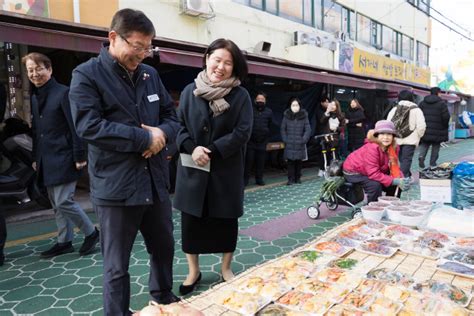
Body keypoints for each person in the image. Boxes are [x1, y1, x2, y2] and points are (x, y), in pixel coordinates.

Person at [69, 9, 180, 315]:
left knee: (163, 248)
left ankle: (163, 298)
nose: (143, 54)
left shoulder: (150, 75)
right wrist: (143, 139)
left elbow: (172, 118)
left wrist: (160, 133)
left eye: (148, 48)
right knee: (116, 265)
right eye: (138, 46)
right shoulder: (86, 75)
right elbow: (89, 126)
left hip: (154, 182)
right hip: (116, 188)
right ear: (113, 37)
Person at [173, 38, 252, 295]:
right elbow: (179, 126)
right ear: (207, 58)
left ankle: (226, 268)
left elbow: (243, 132)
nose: (221, 66)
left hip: (225, 170)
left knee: (226, 221)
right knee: (191, 222)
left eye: (228, 63)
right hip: (193, 167)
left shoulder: (240, 95)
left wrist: (214, 150)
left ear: (234, 67)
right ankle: (193, 271)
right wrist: (191, 147)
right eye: (217, 59)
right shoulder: (188, 91)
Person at [21, 53, 99, 259]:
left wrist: (79, 154)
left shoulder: (64, 93)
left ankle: (91, 232)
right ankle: (64, 242)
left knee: (64, 200)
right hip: (47, 158)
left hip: (64, 155)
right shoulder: (36, 96)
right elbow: (37, 131)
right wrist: (36, 157)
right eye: (30, 70)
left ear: (50, 70)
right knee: (56, 204)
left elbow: (75, 126)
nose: (34, 74)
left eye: (39, 68)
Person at [343, 120, 410, 203]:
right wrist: (394, 180)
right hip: (354, 171)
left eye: (389, 134)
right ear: (377, 135)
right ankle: (373, 208)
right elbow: (373, 174)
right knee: (375, 185)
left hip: (372, 170)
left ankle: (390, 204)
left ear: (393, 136)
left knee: (396, 183)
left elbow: (395, 167)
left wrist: (402, 179)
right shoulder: (372, 148)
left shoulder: (393, 148)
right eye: (382, 134)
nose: (386, 137)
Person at [387, 90, 426, 178]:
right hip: (410, 140)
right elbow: (421, 126)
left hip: (396, 139)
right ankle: (404, 179)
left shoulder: (394, 109)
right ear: (412, 98)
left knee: (400, 159)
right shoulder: (416, 109)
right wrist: (418, 136)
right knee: (406, 159)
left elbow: (388, 123)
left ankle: (406, 175)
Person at [244, 91, 273, 186]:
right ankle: (245, 180)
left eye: (262, 99)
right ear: (255, 100)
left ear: (265, 101)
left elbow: (270, 125)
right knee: (248, 162)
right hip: (250, 141)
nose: (260, 101)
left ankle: (259, 179)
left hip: (262, 142)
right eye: (258, 99)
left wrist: (266, 137)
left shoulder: (269, 112)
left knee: (260, 162)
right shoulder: (250, 110)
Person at [281, 97, 311, 185]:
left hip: (300, 143)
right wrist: (285, 139)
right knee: (290, 162)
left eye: (296, 105)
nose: (295, 107)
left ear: (300, 106)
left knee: (298, 161)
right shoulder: (286, 116)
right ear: (290, 106)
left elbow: (308, 129)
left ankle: (298, 178)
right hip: (289, 142)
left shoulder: (304, 116)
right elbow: (283, 129)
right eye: (293, 105)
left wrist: (304, 139)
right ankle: (290, 179)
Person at [418, 87, 450, 169]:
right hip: (438, 129)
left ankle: (421, 156)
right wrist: (444, 125)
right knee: (436, 146)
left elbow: (419, 115)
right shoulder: (442, 104)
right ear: (438, 93)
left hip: (425, 128)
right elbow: (446, 117)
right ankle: (432, 163)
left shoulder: (422, 103)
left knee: (424, 144)